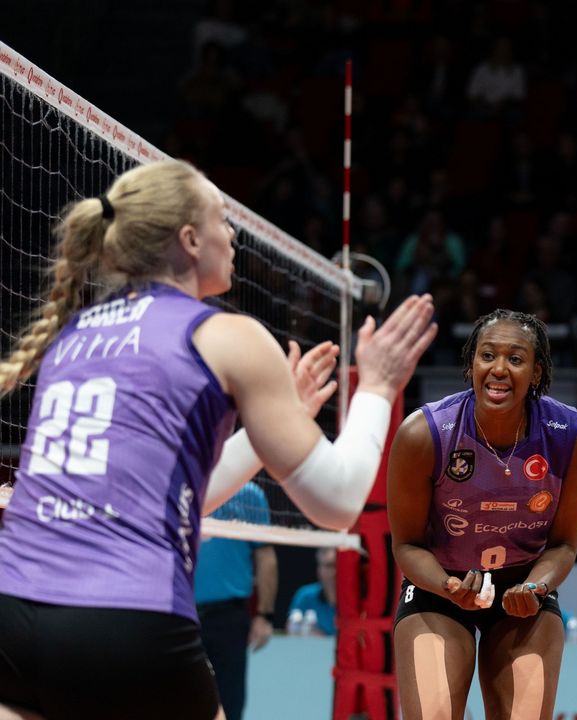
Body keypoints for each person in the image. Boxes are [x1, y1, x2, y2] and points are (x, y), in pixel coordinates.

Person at [0, 159, 436, 720]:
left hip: (14, 619)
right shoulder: (226, 335)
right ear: (189, 239)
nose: (232, 235)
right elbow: (338, 501)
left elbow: (173, 498)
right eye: (222, 219)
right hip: (127, 620)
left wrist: (269, 433)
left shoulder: (72, 338)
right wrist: (377, 387)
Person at [388, 309, 577, 720]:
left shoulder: (571, 435)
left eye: (515, 359)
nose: (499, 369)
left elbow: (563, 545)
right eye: (488, 355)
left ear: (536, 373)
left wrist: (536, 587)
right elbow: (407, 545)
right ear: (471, 364)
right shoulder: (423, 433)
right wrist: (447, 586)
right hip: (439, 589)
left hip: (523, 592)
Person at [193, 483, 277, 720]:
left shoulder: (248, 494)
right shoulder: (178, 482)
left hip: (227, 617)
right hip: (180, 614)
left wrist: (265, 615)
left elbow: (265, 556)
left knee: (230, 703)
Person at [288, 547, 337, 636]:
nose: (334, 572)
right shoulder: (305, 596)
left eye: (337, 566)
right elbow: (291, 631)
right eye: (329, 566)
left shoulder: (357, 600)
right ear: (319, 569)